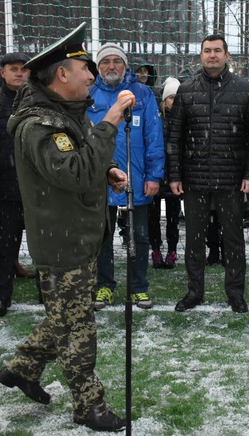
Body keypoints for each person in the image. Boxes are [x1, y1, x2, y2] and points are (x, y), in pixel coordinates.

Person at [0, 22, 132, 432]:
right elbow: (72, 173)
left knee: (65, 318)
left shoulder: (65, 116)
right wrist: (109, 121)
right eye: (85, 70)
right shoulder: (41, 125)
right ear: (62, 74)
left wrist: (106, 168)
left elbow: (83, 160)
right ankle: (89, 406)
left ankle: (21, 368)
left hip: (77, 236)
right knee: (78, 330)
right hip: (62, 243)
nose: (92, 77)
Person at [166, 34, 249, 313]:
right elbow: (175, 137)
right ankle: (194, 292)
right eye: (207, 50)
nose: (212, 55)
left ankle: (235, 293)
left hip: (231, 179)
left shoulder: (244, 89)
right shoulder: (186, 89)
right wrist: (174, 176)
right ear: (201, 55)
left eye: (217, 50)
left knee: (233, 240)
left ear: (226, 55)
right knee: (194, 241)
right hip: (194, 178)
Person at [87, 43, 165, 310]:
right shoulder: (88, 94)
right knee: (101, 237)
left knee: (139, 236)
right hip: (99, 180)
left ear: (125, 65)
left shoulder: (142, 94)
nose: (112, 66)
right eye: (105, 61)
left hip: (136, 178)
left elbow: (154, 138)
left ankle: (138, 287)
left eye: (117, 61)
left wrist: (154, 176)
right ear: (98, 67)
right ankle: (104, 286)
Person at [0, 51, 34, 317]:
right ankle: (3, 297)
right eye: (13, 69)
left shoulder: (40, 98)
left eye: (23, 69)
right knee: (6, 245)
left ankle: (47, 293)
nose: (19, 73)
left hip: (38, 187)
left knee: (42, 245)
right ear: (2, 72)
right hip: (4, 187)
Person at [149, 77, 182, 269]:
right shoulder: (156, 120)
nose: (174, 101)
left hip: (174, 177)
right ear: (164, 100)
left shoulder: (183, 120)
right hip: (156, 175)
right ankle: (155, 250)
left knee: (173, 218)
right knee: (153, 218)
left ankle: (172, 250)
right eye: (170, 98)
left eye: (177, 97)